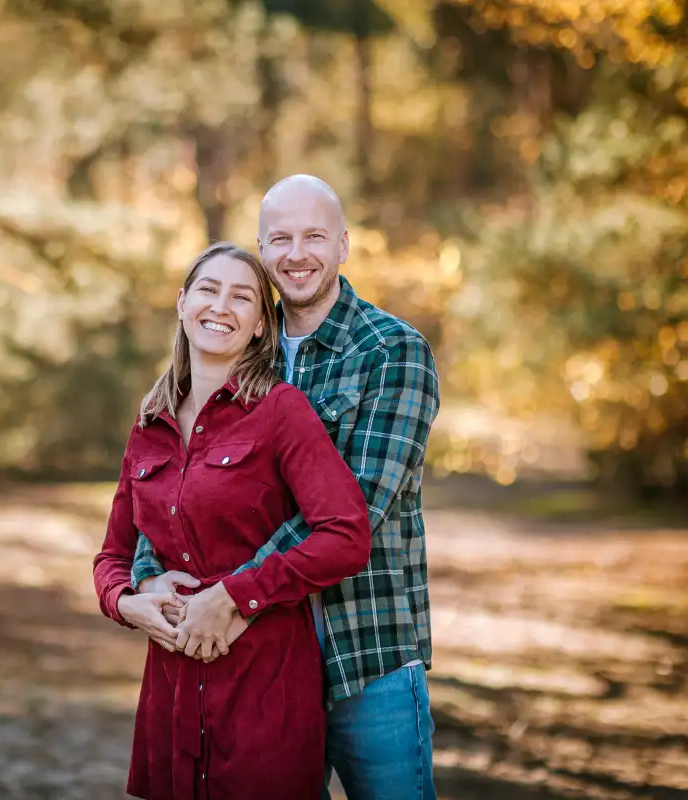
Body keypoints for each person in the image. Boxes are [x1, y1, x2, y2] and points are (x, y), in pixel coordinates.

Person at [132, 175, 441, 800]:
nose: (296, 253)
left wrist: (229, 595)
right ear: (262, 249)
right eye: (279, 238)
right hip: (256, 662)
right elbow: (178, 482)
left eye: (314, 237)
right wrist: (149, 573)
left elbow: (359, 507)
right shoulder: (243, 341)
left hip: (364, 650)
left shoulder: (392, 351)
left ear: (344, 245)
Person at [93, 241, 373, 799]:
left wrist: (235, 595)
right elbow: (112, 557)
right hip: (170, 696)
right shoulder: (150, 422)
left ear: (259, 327)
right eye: (208, 289)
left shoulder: (281, 412)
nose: (221, 306)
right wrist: (129, 603)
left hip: (263, 689)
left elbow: (346, 536)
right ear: (182, 304)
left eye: (242, 297)